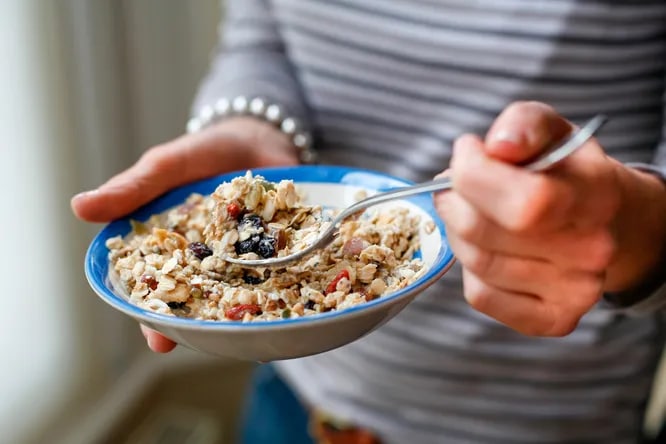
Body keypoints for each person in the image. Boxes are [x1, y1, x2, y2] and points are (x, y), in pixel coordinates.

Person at [72, 1, 666, 443]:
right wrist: (249, 126)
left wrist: (640, 227)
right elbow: (261, 36)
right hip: (301, 388)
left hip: (540, 411)